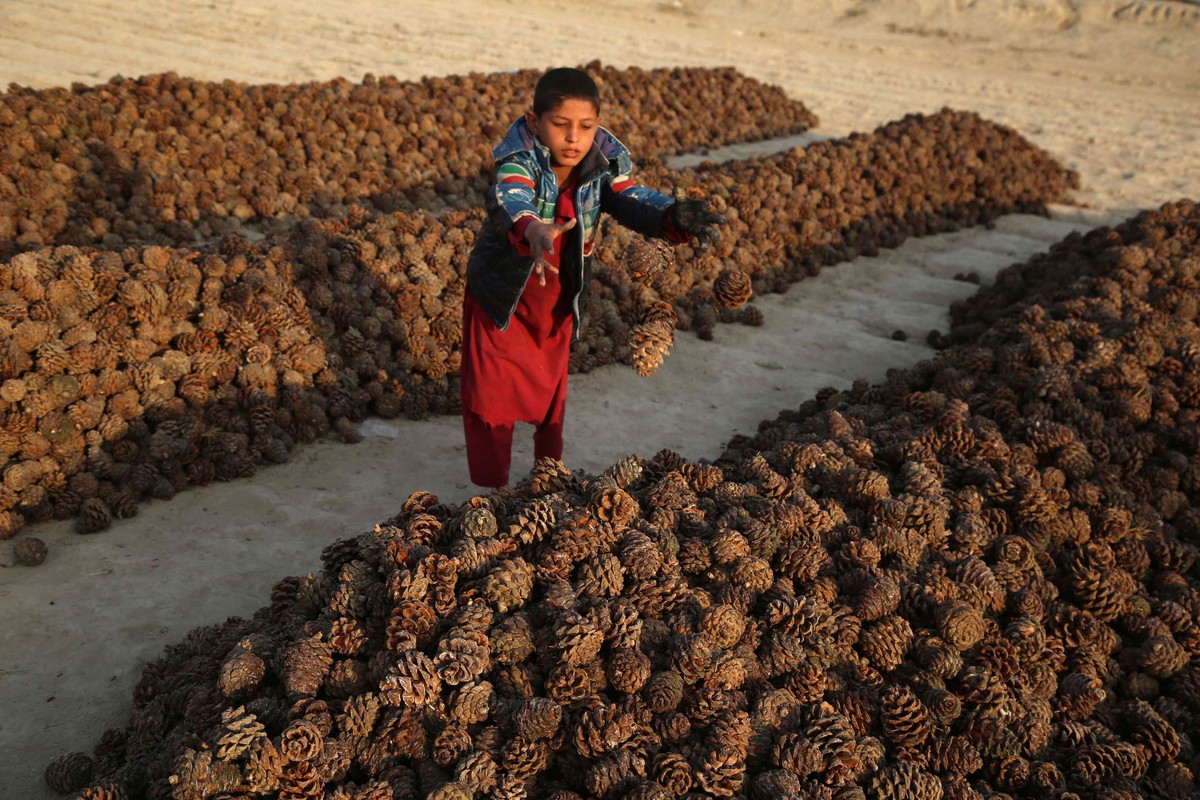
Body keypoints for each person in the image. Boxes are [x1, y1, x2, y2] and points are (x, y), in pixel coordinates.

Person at [460, 67, 725, 488]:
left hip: (556, 300)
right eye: (560, 125)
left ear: (597, 125)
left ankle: (546, 482)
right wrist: (534, 229)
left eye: (585, 127)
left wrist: (672, 215)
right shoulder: (518, 158)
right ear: (535, 121)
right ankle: (491, 490)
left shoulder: (602, 163)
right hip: (503, 296)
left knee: (549, 396)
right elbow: (510, 197)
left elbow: (631, 197)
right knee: (490, 397)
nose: (573, 138)